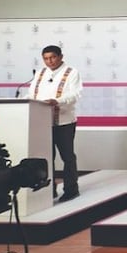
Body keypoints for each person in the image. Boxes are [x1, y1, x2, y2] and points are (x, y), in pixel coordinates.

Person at [27, 45, 84, 202]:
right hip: (41, 122)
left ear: (60, 56)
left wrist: (57, 101)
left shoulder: (71, 72)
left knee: (67, 157)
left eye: (52, 57)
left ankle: (71, 189)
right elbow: (31, 94)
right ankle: (49, 190)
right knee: (46, 157)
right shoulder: (40, 73)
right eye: (46, 58)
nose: (49, 61)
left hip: (64, 121)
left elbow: (76, 94)